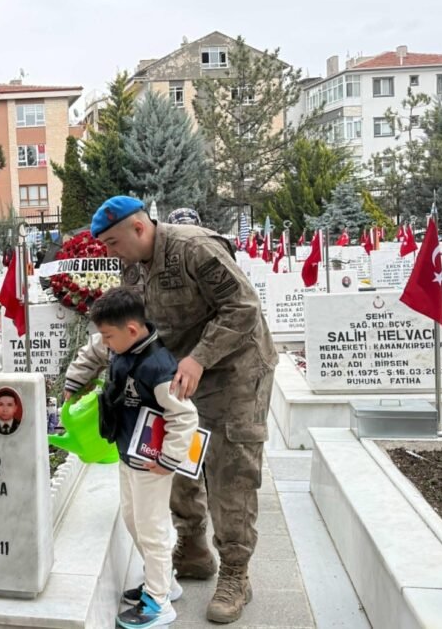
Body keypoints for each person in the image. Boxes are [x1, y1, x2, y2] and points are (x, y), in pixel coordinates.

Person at [64, 196, 277, 624]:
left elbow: (243, 307)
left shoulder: (195, 248)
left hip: (233, 369)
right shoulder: (133, 266)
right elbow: (129, 328)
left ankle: (236, 572)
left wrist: (199, 357)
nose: (107, 251)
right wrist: (82, 374)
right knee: (171, 456)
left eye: (111, 242)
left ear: (139, 229)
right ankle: (193, 547)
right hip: (175, 375)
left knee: (229, 469)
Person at [86, 287, 198, 629]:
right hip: (129, 456)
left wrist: (169, 459)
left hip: (153, 463)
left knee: (152, 529)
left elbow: (185, 416)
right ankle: (163, 581)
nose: (104, 342)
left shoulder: (158, 367)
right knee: (134, 521)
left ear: (132, 330)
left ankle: (158, 602)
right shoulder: (124, 351)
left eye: (107, 335)